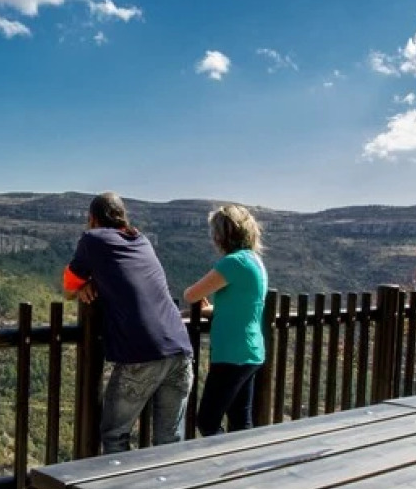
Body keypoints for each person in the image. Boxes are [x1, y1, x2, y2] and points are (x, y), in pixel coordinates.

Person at [63, 192, 194, 454]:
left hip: (142, 353)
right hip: (181, 349)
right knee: (169, 441)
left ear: (91, 219)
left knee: (114, 434)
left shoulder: (93, 239)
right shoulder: (142, 240)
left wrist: (82, 286)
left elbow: (68, 286)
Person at [183, 204, 267, 436]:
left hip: (232, 354)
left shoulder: (233, 263)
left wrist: (201, 304)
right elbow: (240, 306)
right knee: (241, 422)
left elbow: (191, 295)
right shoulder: (254, 261)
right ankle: (242, 466)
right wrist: (213, 309)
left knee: (207, 421)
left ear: (222, 234)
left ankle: (224, 465)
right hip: (251, 351)